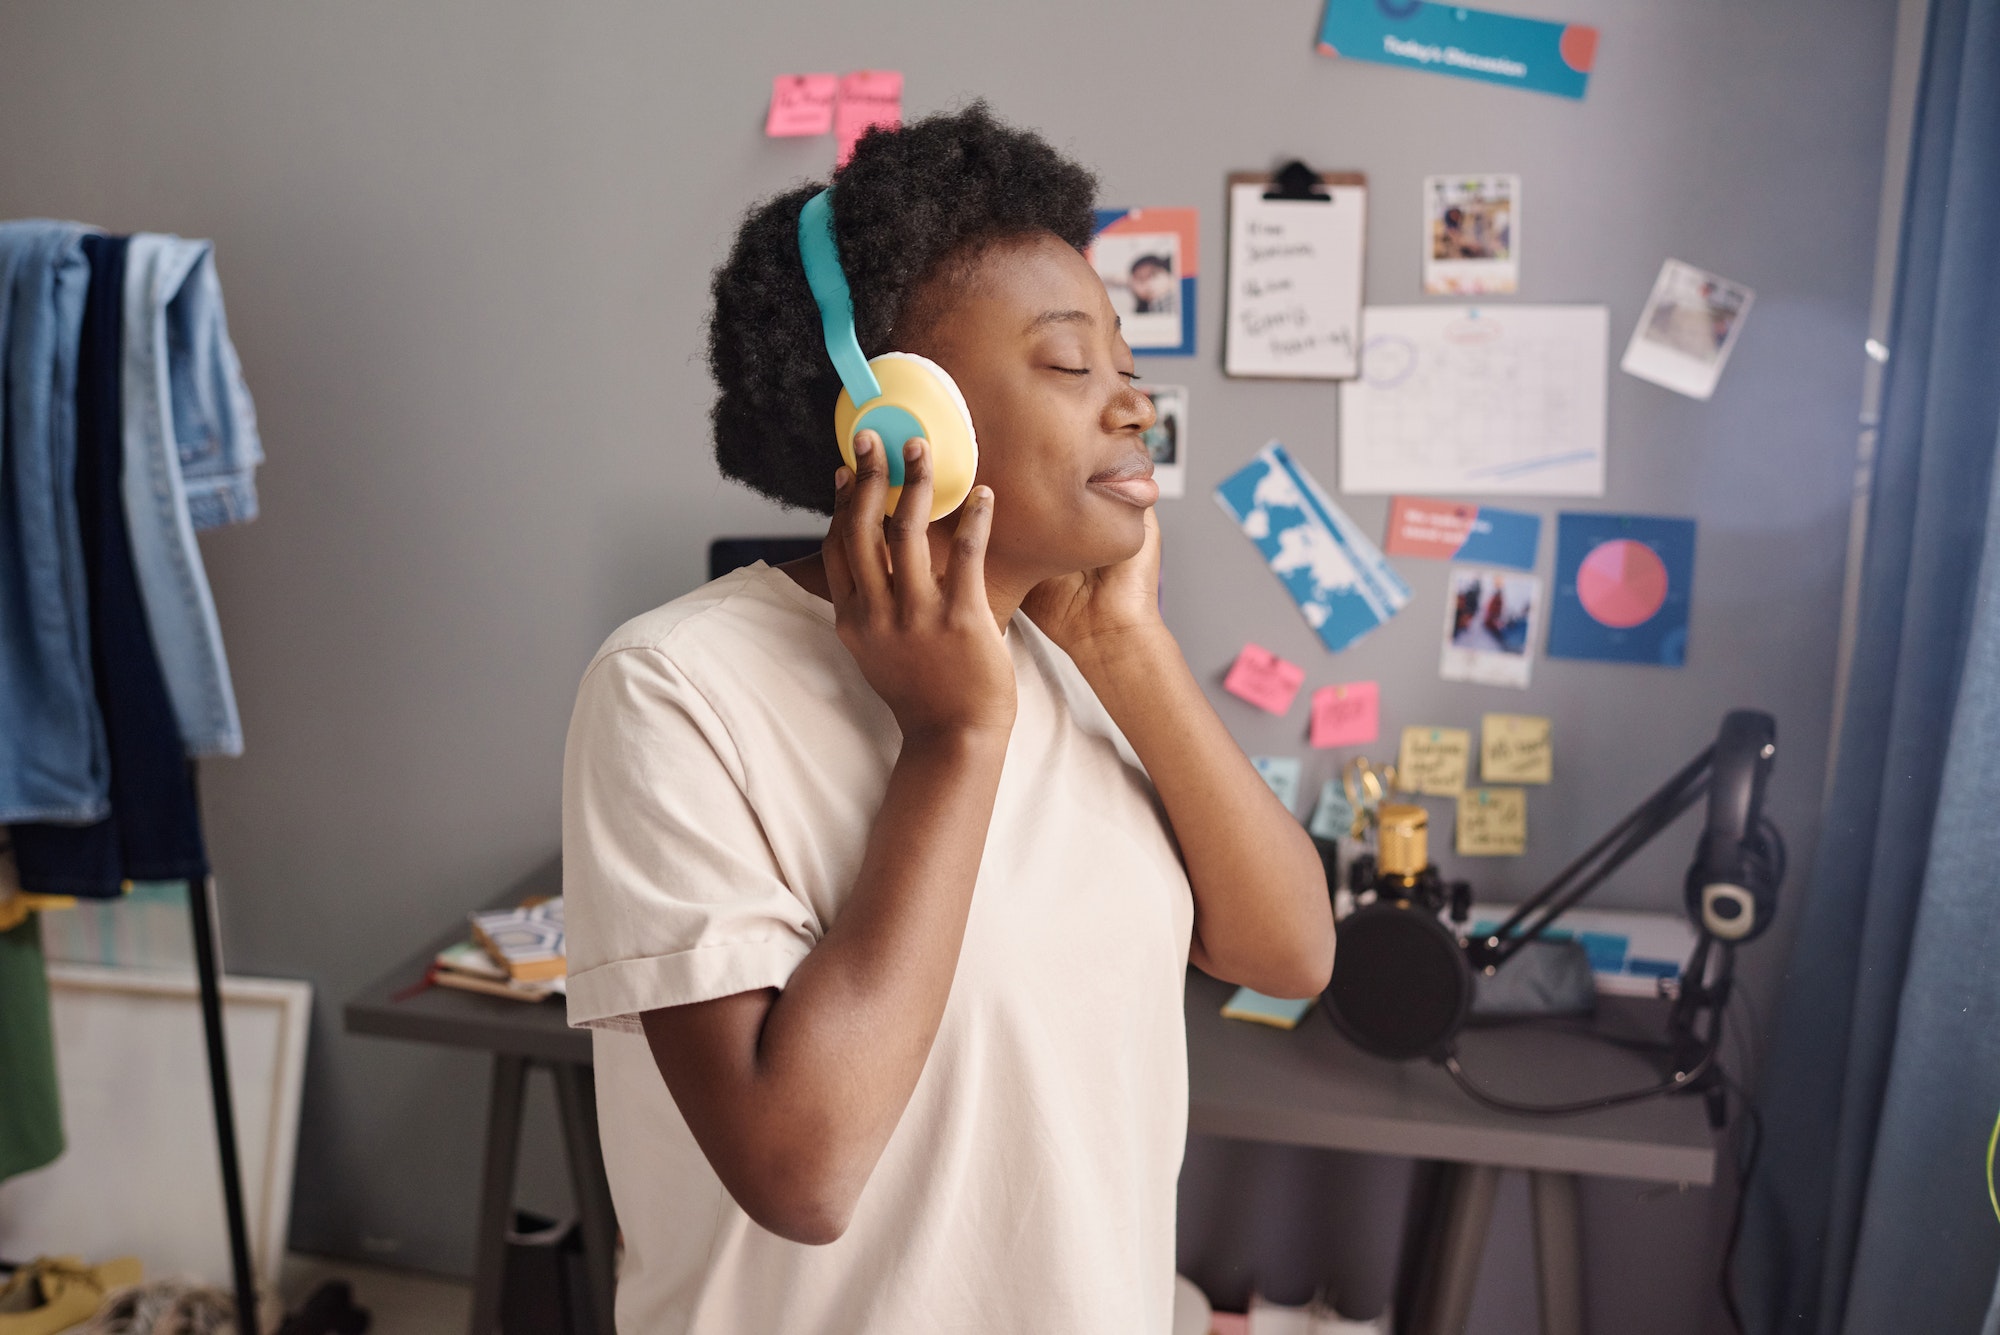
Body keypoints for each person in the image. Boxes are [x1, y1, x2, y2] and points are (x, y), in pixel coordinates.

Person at [561, 104, 1335, 1334]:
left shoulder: (1080, 664)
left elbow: (1288, 955)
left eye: (1124, 363)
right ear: (897, 424)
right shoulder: (673, 687)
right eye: (1071, 365)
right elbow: (801, 1172)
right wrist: (951, 741)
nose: (1133, 405)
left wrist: (1128, 648)